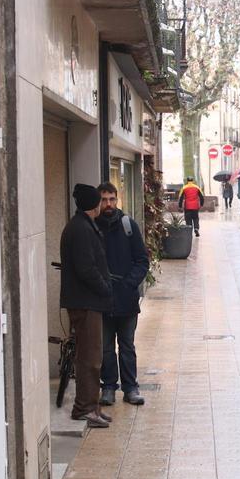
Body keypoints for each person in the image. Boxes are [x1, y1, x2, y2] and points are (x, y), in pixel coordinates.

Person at [60, 184, 113, 428]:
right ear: (94, 204)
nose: (103, 205)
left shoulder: (83, 225)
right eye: (100, 201)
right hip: (86, 301)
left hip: (88, 300)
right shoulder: (80, 229)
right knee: (90, 358)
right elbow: (86, 268)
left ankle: (91, 406)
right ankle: (84, 408)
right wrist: (104, 287)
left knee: (93, 356)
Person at [95, 182, 150, 407]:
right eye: (104, 200)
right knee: (106, 347)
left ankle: (130, 388)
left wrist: (129, 284)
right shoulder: (93, 227)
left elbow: (142, 260)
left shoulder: (128, 225)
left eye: (111, 199)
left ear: (117, 199)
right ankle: (108, 387)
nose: (108, 204)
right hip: (102, 299)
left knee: (127, 346)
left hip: (126, 300)